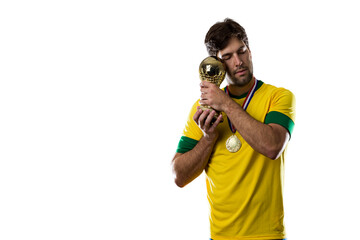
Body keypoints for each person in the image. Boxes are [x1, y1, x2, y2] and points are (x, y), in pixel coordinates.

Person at [171, 18, 296, 240]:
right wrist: (208, 138)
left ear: (250, 51)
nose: (238, 61)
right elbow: (179, 175)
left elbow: (273, 146)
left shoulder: (278, 96)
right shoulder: (201, 109)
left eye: (242, 51)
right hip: (220, 236)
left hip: (268, 236)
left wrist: (226, 104)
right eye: (227, 57)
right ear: (216, 64)